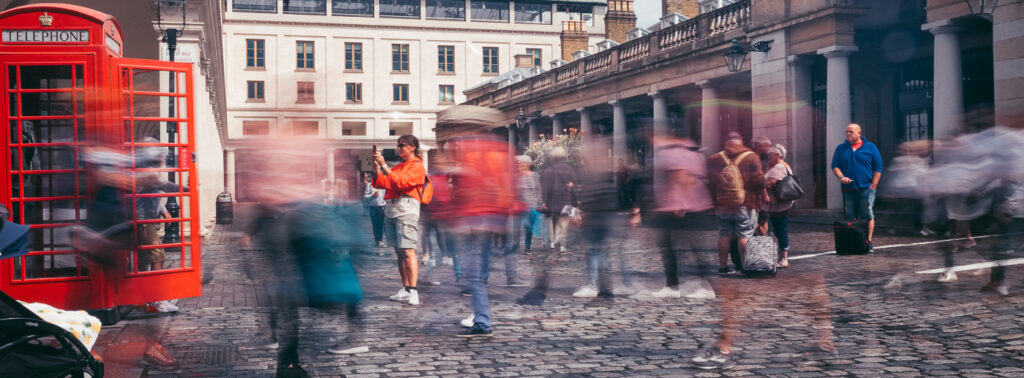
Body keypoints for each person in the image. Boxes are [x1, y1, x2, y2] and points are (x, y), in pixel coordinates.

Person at [446, 134, 516, 337]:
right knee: (476, 274)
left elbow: (473, 193)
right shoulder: (495, 154)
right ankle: (480, 316)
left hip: (477, 223)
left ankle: (482, 320)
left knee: (473, 275)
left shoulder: (478, 159)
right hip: (489, 222)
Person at [633, 136, 714, 299]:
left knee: (671, 247)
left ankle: (683, 285)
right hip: (692, 206)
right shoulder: (694, 155)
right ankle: (680, 285)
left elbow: (683, 178)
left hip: (678, 208)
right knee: (686, 247)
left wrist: (681, 203)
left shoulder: (673, 154)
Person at [573, 138, 635, 299]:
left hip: (598, 215)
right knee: (606, 251)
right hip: (608, 214)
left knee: (595, 251)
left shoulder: (595, 171)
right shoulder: (607, 169)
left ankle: (595, 285)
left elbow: (593, 192)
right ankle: (617, 285)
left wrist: (584, 211)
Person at [372, 135, 430, 306]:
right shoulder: (398, 166)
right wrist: (376, 166)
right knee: (399, 252)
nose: (399, 148)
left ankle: (414, 291)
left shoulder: (417, 166)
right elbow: (380, 182)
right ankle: (405, 288)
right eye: (398, 145)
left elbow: (401, 183)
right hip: (392, 211)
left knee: (408, 251)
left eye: (401, 145)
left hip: (407, 211)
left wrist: (384, 165)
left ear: (412, 147)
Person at [708, 138, 765, 275]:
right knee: (744, 235)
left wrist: (715, 197)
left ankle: (723, 267)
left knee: (724, 235)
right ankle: (745, 267)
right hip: (745, 203)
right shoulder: (751, 157)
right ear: (741, 143)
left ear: (726, 144)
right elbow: (759, 181)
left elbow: (709, 180)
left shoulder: (715, 158)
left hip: (722, 203)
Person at [831, 123, 883, 251]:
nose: (848, 134)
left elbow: (878, 167)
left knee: (868, 215)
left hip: (866, 188)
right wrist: (841, 177)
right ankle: (852, 242)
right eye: (846, 132)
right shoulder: (841, 148)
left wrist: (874, 185)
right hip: (848, 189)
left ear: (859, 133)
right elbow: (835, 166)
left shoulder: (870, 148)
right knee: (850, 216)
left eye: (851, 132)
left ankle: (868, 242)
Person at [763, 144, 795, 268]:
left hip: (780, 205)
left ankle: (784, 258)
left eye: (770, 155)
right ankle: (782, 257)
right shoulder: (782, 165)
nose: (768, 157)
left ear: (777, 155)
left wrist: (761, 181)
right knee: (779, 229)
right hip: (781, 204)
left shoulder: (780, 167)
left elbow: (769, 182)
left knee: (780, 229)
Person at [540, 147, 576, 252]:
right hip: (565, 199)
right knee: (564, 222)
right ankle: (562, 244)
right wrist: (576, 199)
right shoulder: (569, 169)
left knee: (552, 221)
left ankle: (552, 242)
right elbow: (573, 185)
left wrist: (544, 201)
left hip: (552, 200)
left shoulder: (548, 171)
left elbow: (546, 188)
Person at [752, 136, 773, 235]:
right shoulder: (751, 157)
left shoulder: (767, 158)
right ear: (758, 146)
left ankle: (764, 240)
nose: (769, 148)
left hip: (762, 194)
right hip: (754, 194)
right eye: (766, 146)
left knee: (763, 218)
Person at [363, 175, 387, 248]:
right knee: (374, 224)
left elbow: (387, 194)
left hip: (382, 207)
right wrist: (372, 195)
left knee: (380, 224)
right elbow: (365, 197)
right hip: (372, 207)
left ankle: (380, 241)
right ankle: (377, 240)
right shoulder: (370, 185)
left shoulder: (384, 184)